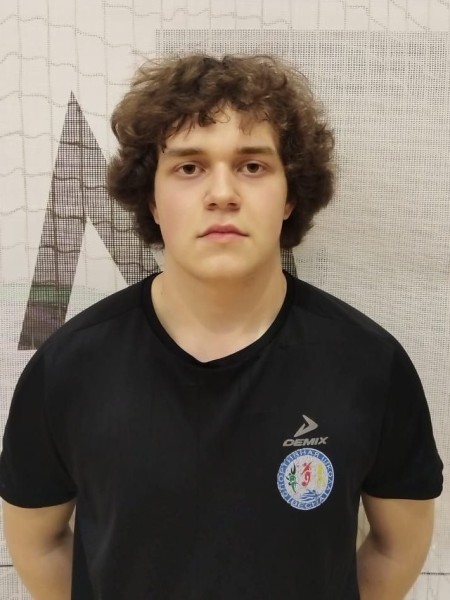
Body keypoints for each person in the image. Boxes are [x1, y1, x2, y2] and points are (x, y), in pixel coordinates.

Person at [0, 54, 443, 600]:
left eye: (252, 166)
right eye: (189, 168)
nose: (222, 193)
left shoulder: (370, 365)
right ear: (152, 199)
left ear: (290, 195)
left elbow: (398, 546)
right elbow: (38, 543)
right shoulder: (69, 367)